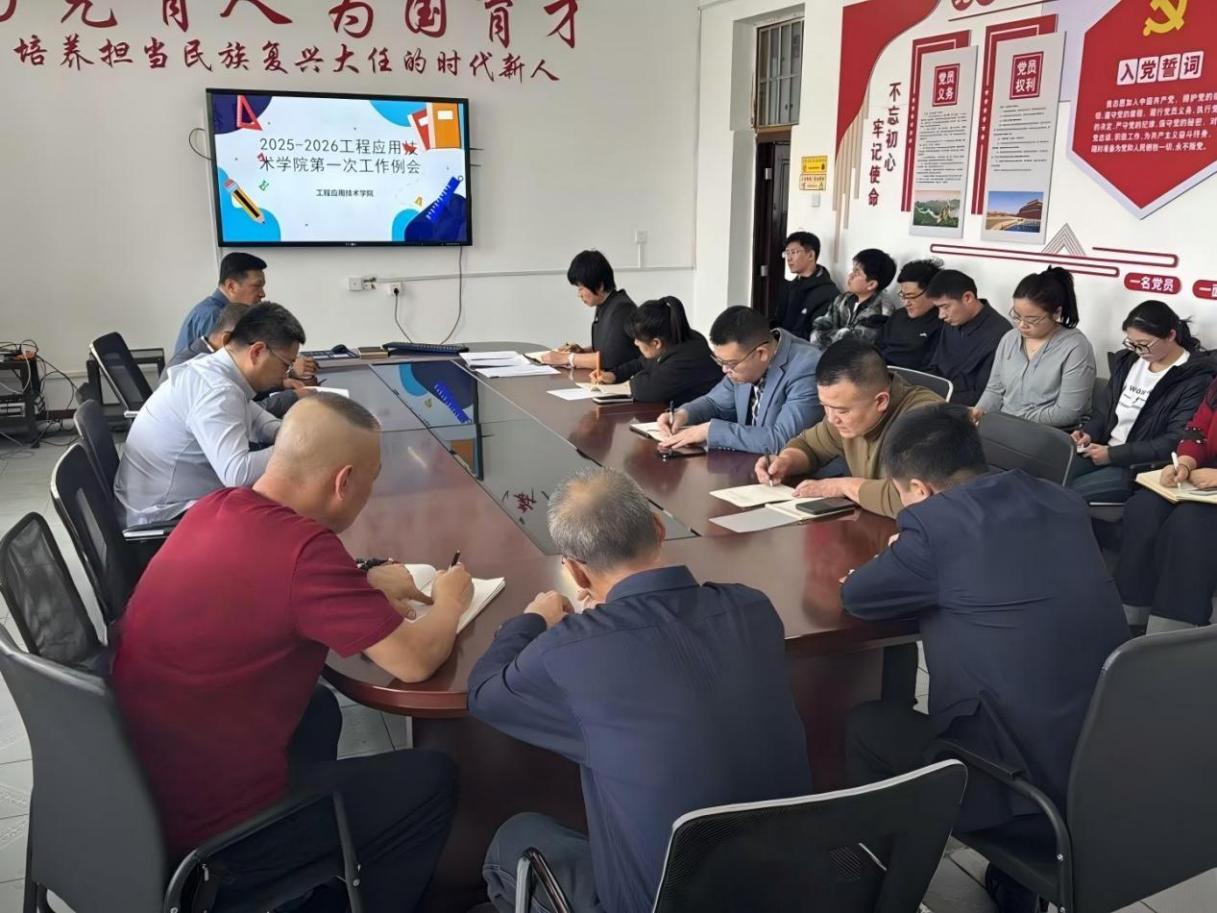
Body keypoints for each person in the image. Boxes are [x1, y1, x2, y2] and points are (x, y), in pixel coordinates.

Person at [113, 394, 474, 912]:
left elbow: (271, 582)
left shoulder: (218, 505)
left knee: (319, 709)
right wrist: (450, 600)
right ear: (344, 481)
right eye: (371, 480)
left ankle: (311, 878)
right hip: (220, 834)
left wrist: (360, 579)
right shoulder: (304, 551)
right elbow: (414, 661)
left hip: (144, 790)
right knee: (430, 778)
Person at [469, 468, 813, 913]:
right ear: (659, 526)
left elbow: (484, 694)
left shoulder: (570, 652)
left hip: (656, 903)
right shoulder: (753, 608)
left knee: (514, 837)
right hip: (786, 889)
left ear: (574, 571)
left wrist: (533, 619)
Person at [841, 405, 1127, 913]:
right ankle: (1014, 886)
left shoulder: (935, 529)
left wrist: (900, 551)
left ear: (919, 490)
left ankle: (884, 893)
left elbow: (858, 596)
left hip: (1021, 791)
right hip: (1107, 771)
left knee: (868, 726)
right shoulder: (1060, 501)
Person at [116, 302, 306, 526]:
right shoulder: (216, 391)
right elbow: (238, 473)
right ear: (256, 352)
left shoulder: (216, 371)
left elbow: (261, 424)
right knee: (295, 508)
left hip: (160, 501)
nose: (286, 374)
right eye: (286, 365)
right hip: (164, 516)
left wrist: (301, 433)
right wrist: (299, 446)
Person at [756, 338, 941, 518]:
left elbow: (916, 497)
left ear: (881, 401)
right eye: (825, 406)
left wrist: (842, 486)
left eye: (842, 410)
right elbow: (809, 445)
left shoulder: (926, 419)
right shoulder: (845, 415)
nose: (831, 418)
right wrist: (786, 461)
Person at [1070, 300, 1214, 503]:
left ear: (1171, 335)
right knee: (1050, 475)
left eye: (1144, 344)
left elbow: (1175, 439)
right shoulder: (1127, 362)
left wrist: (1114, 454)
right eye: (1132, 343)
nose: (1138, 350)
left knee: (1069, 494)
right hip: (1099, 450)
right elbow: (1103, 412)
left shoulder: (1194, 378)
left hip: (1137, 466)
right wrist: (1088, 433)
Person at [1116, 377, 1217, 632]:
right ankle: (1130, 614)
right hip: (1203, 478)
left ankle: (1174, 628)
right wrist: (1185, 463)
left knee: (1191, 523)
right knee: (1144, 508)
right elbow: (1197, 432)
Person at [657, 305, 822, 454]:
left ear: (761, 353)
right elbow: (714, 402)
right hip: (753, 465)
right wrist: (684, 414)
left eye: (730, 363)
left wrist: (710, 431)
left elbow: (783, 441)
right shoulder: (742, 362)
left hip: (803, 474)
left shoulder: (807, 368)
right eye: (720, 362)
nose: (724, 370)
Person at [974, 267, 1096, 428]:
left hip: (1049, 432)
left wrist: (1010, 419)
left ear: (1056, 313)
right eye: (1017, 316)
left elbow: (1067, 413)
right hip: (1005, 426)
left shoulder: (1076, 347)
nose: (1021, 325)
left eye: (1032, 320)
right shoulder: (1010, 339)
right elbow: (995, 390)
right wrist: (978, 412)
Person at [167, 301, 314, 420]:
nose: (285, 373)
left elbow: (254, 417)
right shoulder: (215, 387)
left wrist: (281, 384)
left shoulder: (221, 370)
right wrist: (292, 397)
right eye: (286, 365)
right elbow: (238, 425)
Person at [586, 296, 721, 404]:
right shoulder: (676, 339)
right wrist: (614, 375)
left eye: (638, 339)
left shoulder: (685, 357)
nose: (635, 343)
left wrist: (633, 380)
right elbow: (641, 362)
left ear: (656, 343)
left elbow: (647, 390)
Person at [538, 250, 637, 372]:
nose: (579, 295)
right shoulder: (606, 304)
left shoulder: (622, 309)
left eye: (581, 288)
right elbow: (610, 348)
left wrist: (566, 358)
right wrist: (583, 352)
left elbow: (610, 359)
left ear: (599, 286)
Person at [924, 269, 1010, 405]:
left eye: (945, 307)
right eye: (938, 308)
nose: (941, 315)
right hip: (934, 398)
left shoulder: (1002, 334)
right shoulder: (952, 321)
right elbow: (936, 366)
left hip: (963, 408)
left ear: (968, 298)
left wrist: (935, 399)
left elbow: (984, 394)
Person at [175, 252, 267, 354]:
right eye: (256, 286)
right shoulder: (214, 315)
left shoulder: (213, 310)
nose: (262, 294)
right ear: (231, 286)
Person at [809, 248, 896, 350]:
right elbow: (817, 329)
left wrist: (826, 337)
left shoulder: (883, 309)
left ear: (871, 284)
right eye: (852, 270)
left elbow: (852, 343)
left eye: (856, 273)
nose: (850, 275)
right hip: (827, 354)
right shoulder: (842, 299)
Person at [876, 258, 943, 371]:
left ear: (933, 292)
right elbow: (877, 348)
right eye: (903, 295)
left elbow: (931, 370)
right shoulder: (898, 316)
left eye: (911, 296)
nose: (906, 302)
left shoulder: (943, 323)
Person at [770, 231, 840, 338]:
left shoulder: (828, 293)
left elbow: (816, 336)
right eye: (787, 253)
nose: (789, 258)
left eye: (794, 252)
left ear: (811, 255)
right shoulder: (789, 287)